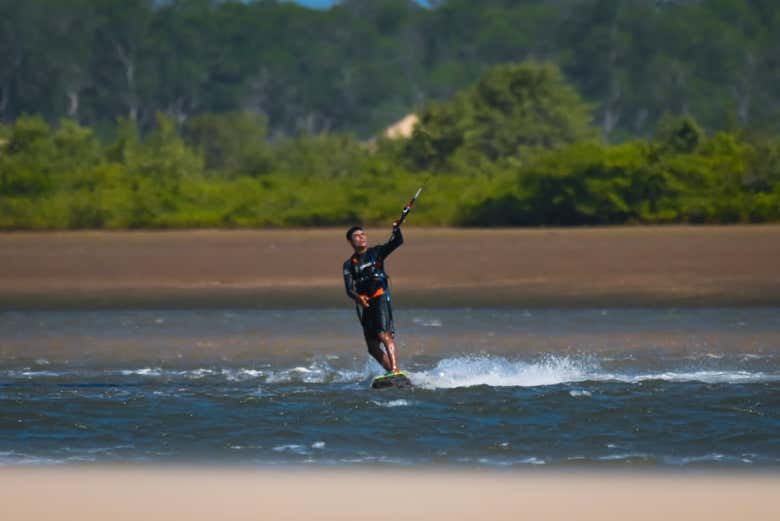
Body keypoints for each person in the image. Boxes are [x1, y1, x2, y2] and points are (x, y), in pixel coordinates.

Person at [343, 223, 404, 374]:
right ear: (351, 242)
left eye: (363, 234)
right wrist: (358, 297)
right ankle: (391, 372)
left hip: (380, 297)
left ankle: (395, 370)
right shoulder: (349, 265)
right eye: (357, 236)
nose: (361, 237)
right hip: (366, 304)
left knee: (384, 335)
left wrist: (396, 229)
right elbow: (349, 289)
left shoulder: (377, 252)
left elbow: (397, 241)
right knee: (371, 347)